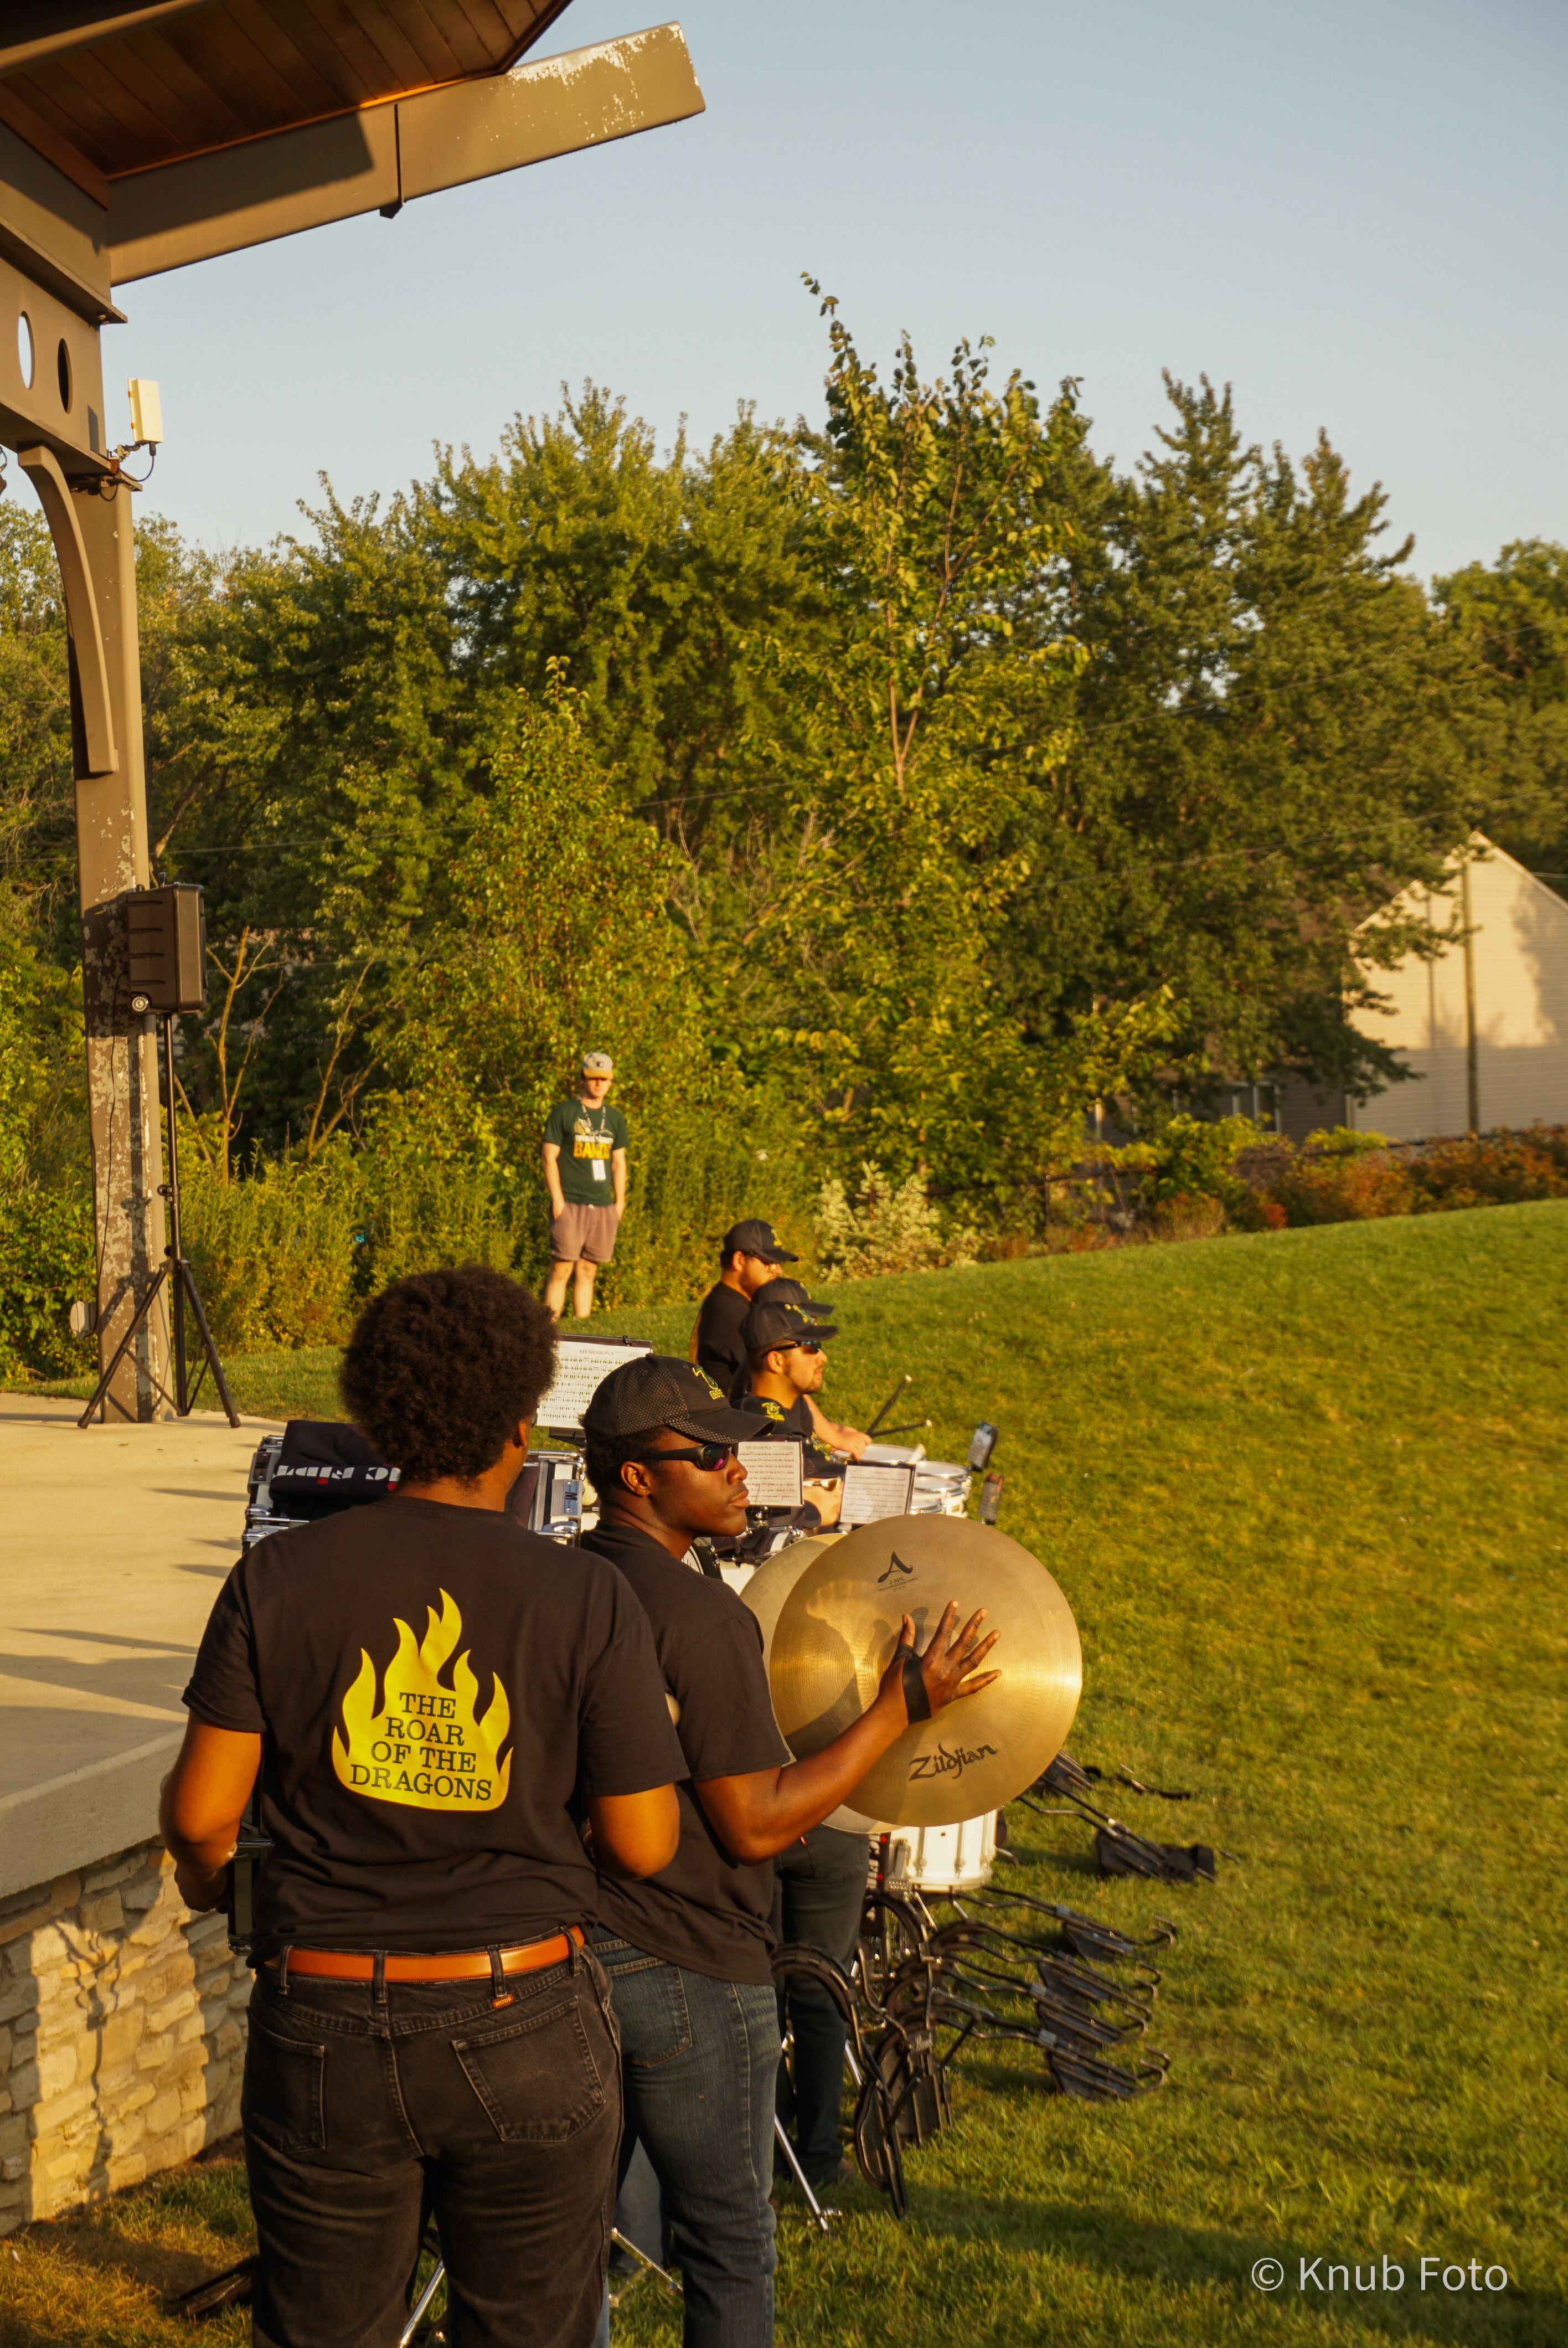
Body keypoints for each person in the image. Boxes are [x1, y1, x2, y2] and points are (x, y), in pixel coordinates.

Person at [159, 1268, 685, 2348]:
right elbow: (644, 1839)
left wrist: (220, 1886)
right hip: (523, 2012)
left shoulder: (277, 1576)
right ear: (522, 1423)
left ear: (375, 1416)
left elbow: (202, 1814)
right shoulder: (586, 1594)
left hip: (322, 2018)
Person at [579, 1356, 998, 2348]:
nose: (740, 1469)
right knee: (728, 2242)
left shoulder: (567, 1586)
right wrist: (898, 1710)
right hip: (688, 1962)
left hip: (575, 1952)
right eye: (710, 1454)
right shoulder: (701, 1620)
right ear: (636, 1476)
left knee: (565, 2246)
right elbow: (756, 1823)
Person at [739, 1278, 870, 1459]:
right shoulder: (768, 1428)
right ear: (776, 1361)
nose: (823, 1357)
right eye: (810, 1346)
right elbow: (817, 1476)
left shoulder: (796, 1403)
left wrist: (834, 1435)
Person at [543, 1053, 630, 1320]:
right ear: (582, 1078)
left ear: (611, 1082)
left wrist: (620, 1202)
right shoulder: (564, 1112)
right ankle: (549, 1329)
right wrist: (557, 1199)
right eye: (593, 1078)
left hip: (603, 1206)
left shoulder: (615, 1118)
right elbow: (549, 1157)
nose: (599, 1083)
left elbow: (618, 1162)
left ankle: (584, 1328)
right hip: (570, 1203)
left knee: (588, 1270)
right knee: (562, 1269)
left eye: (604, 1079)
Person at [690, 1219, 795, 1387]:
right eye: (769, 1262)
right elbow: (780, 1378)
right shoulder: (731, 1314)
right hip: (733, 1412)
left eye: (778, 1263)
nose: (778, 1270)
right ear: (739, 1260)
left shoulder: (724, 1303)